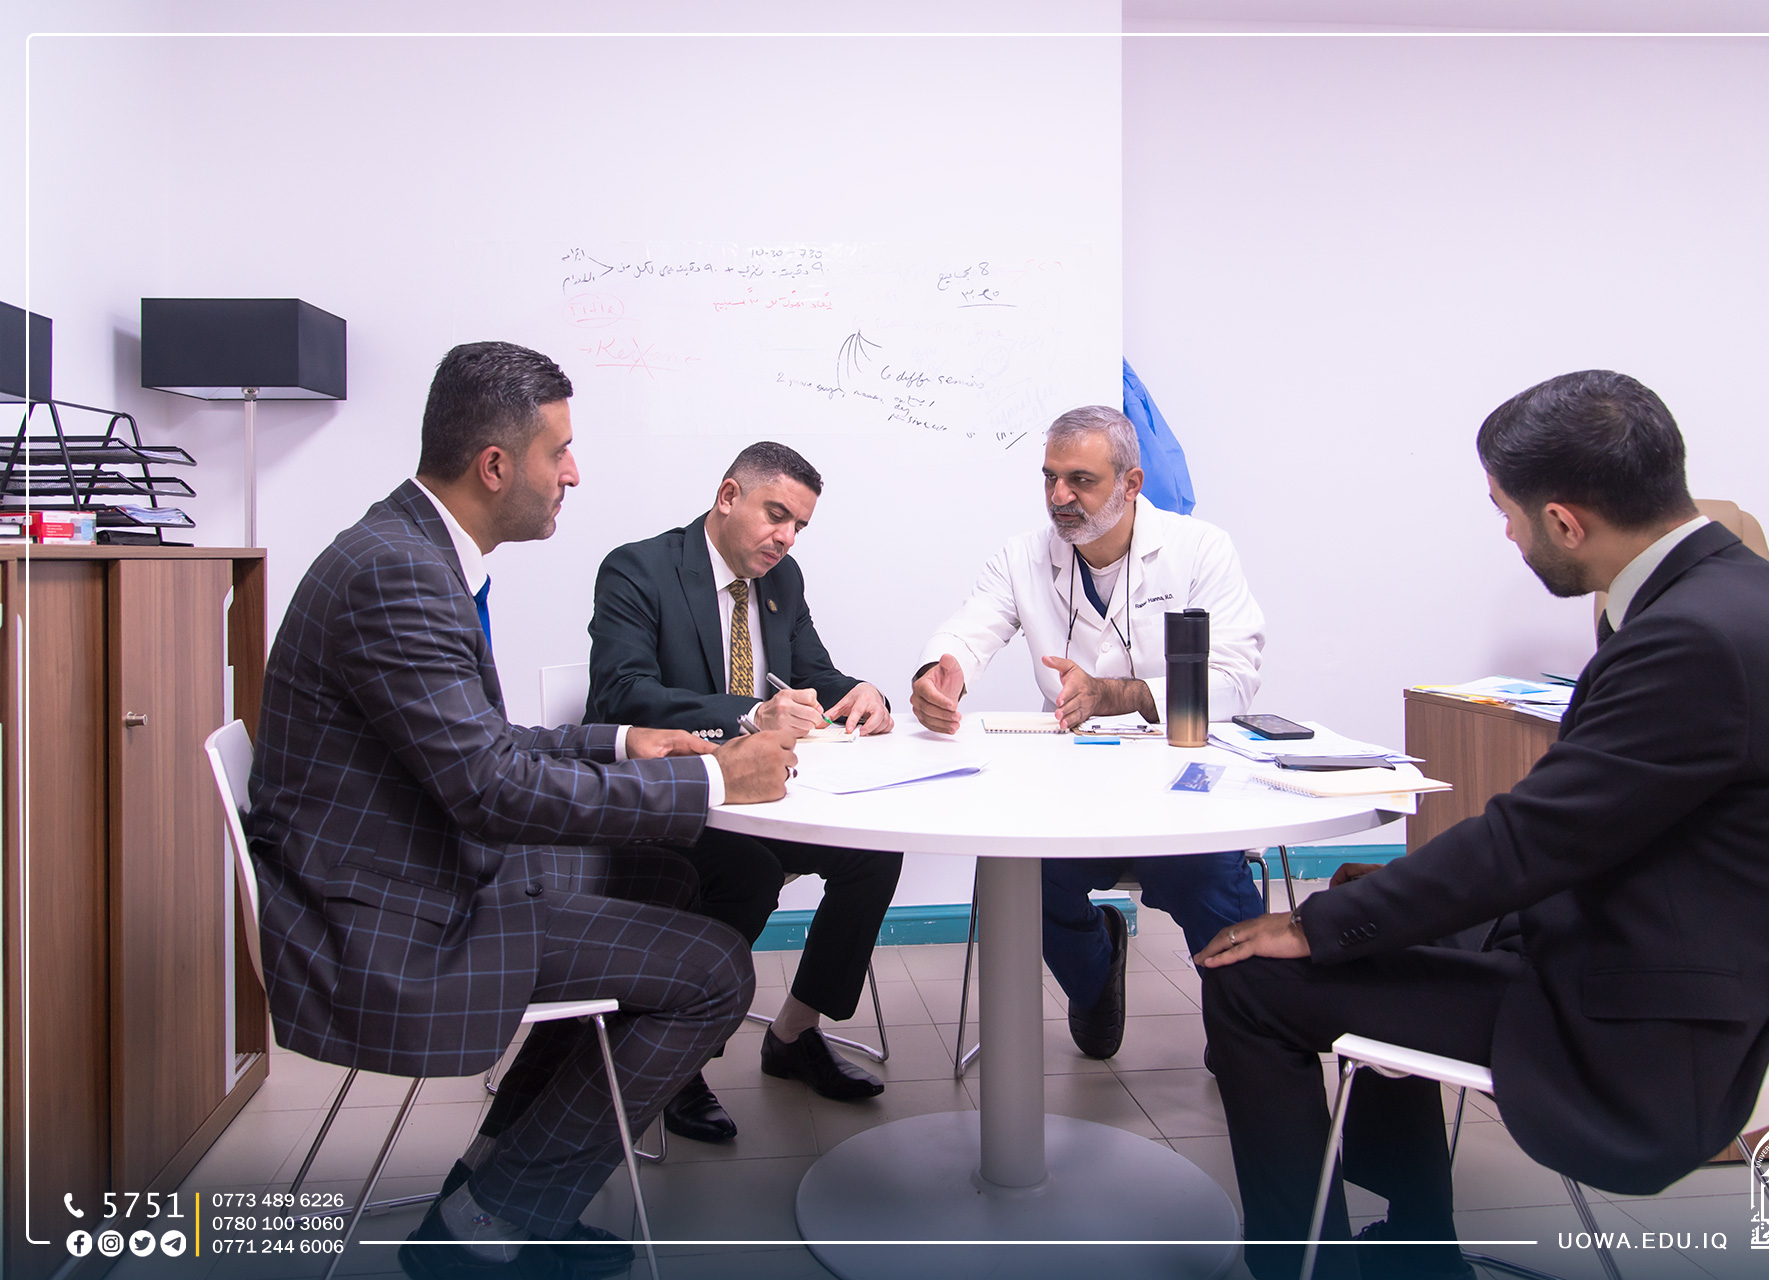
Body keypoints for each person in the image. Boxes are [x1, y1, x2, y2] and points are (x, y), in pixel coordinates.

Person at [1195, 370, 1769, 1280]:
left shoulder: (1691, 642)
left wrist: (1316, 926)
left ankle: (1301, 1270)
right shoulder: (1745, 597)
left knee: (1254, 982)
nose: (1508, 536)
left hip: (1651, 1030)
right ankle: (1416, 1249)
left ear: (1564, 521)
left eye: (1506, 513)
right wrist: (1377, 908)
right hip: (1693, 952)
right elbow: (1580, 830)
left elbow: (1530, 842)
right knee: (1377, 917)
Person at [248, 341, 798, 1280]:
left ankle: (491, 1178)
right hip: (386, 927)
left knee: (668, 878)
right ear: (496, 466)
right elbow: (490, 789)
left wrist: (621, 742)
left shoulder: (408, 549)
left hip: (399, 873)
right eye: (560, 452)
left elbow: (480, 744)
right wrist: (717, 782)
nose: (573, 473)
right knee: (715, 971)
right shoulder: (398, 573)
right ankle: (494, 1224)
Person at [911, 404, 1266, 1059]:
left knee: (1212, 886)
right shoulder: (1023, 557)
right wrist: (942, 672)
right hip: (1070, 789)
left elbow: (1234, 680)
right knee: (1021, 879)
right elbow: (971, 629)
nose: (1059, 497)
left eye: (1081, 480)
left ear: (1131, 484)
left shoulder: (1199, 550)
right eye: (1050, 477)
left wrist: (1119, 694)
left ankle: (1249, 1032)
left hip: (1177, 787)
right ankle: (1096, 973)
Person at [585, 441, 903, 1140]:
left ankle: (793, 1034)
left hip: (761, 798)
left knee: (876, 851)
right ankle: (673, 1056)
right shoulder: (638, 569)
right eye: (776, 515)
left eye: (799, 526)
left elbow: (812, 673)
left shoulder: (782, 579)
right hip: (673, 802)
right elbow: (621, 694)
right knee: (750, 872)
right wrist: (750, 715)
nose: (786, 538)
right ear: (728, 496)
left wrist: (864, 692)